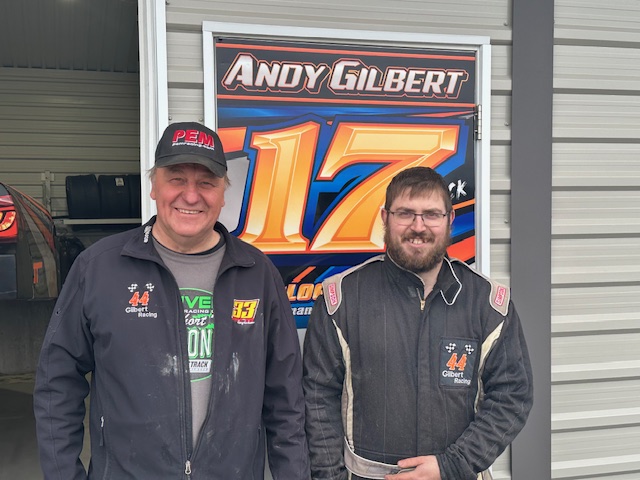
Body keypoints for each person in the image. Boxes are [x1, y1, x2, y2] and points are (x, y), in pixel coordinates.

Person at [34, 121, 310, 479]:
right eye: (176, 179)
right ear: (153, 186)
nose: (191, 196)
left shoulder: (258, 274)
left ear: (223, 194)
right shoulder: (99, 268)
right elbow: (57, 382)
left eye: (206, 183)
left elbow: (286, 401)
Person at [303, 166, 533, 480]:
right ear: (385, 218)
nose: (418, 226)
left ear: (450, 219)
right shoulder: (341, 299)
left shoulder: (487, 304)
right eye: (405, 213)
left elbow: (512, 396)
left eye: (431, 214)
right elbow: (318, 399)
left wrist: (453, 464)